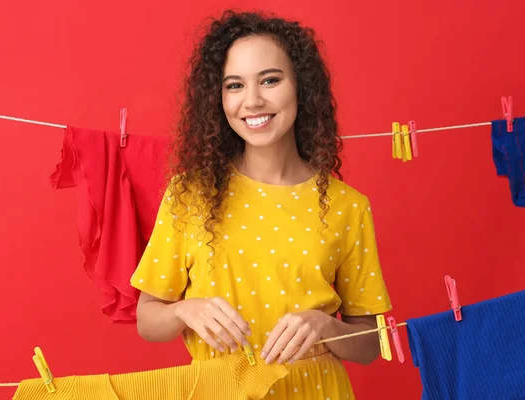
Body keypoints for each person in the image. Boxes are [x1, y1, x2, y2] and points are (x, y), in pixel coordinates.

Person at [130, 9, 392, 399]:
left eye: (270, 80)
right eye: (234, 86)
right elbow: (147, 320)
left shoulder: (347, 206)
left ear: (300, 87)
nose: (252, 101)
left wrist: (326, 327)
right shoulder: (191, 194)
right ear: (217, 98)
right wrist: (184, 311)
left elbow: (370, 345)